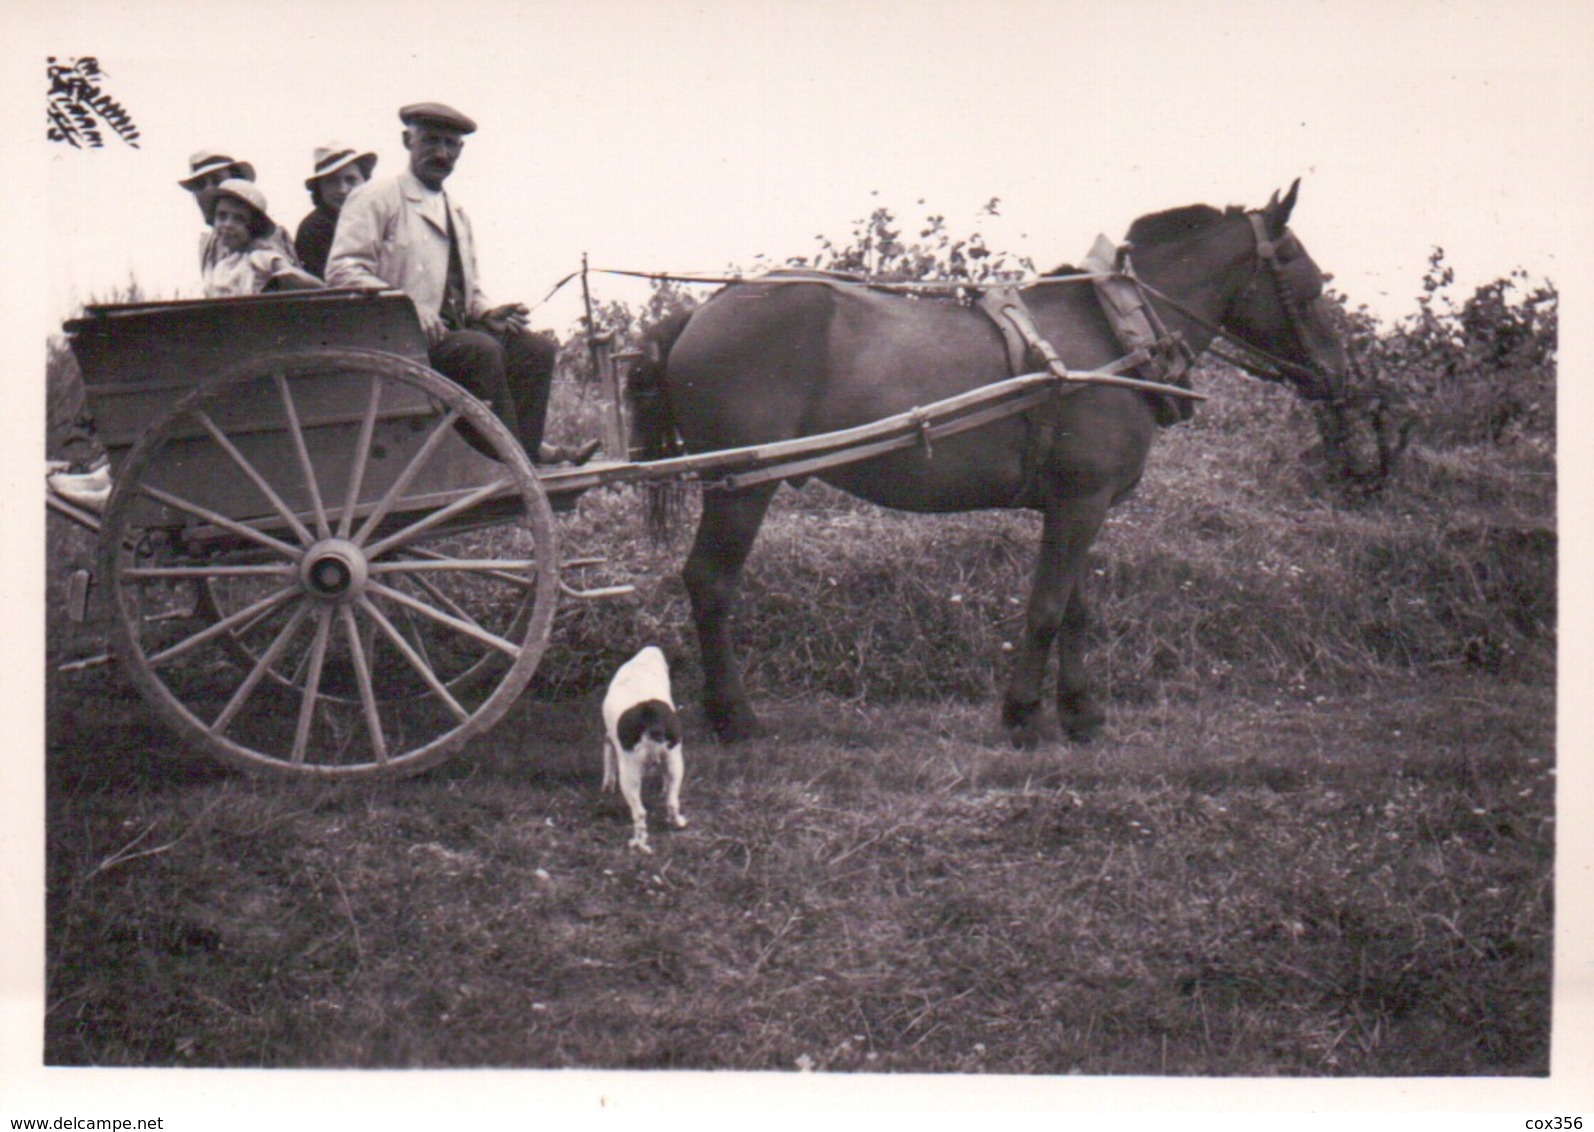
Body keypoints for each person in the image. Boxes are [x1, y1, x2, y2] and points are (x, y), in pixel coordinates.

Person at [326, 102, 598, 466]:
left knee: (536, 349)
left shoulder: (457, 213)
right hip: (399, 342)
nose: (442, 153)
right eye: (431, 142)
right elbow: (342, 269)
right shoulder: (377, 197)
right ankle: (503, 462)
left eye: (451, 145)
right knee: (480, 350)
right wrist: (405, 304)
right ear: (408, 141)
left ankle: (523, 458)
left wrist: (487, 310)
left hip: (449, 338)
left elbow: (468, 287)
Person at [179, 149, 302, 267]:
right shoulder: (208, 245)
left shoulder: (269, 235)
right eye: (199, 184)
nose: (208, 189)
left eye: (216, 180)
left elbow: (291, 283)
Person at [200, 180, 322, 297]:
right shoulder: (221, 266)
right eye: (222, 216)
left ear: (253, 227)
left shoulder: (260, 257)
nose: (227, 224)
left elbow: (298, 277)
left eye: (239, 219)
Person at [295, 142, 376, 280]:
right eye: (331, 181)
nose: (342, 189)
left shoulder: (378, 217)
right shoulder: (314, 228)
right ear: (319, 188)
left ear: (365, 182)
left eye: (351, 180)